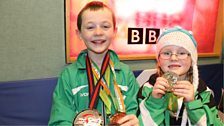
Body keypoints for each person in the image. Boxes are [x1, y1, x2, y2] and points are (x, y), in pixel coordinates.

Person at [48, 1, 139, 126]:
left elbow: (135, 112)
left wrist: (135, 121)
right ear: (79, 34)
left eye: (105, 26)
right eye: (90, 27)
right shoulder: (69, 75)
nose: (98, 32)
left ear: (114, 31)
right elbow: (59, 120)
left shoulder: (125, 73)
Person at [137, 27, 223, 125]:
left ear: (192, 60)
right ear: (159, 60)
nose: (173, 58)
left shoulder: (203, 93)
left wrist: (193, 104)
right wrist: (154, 102)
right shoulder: (147, 90)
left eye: (182, 53)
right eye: (166, 53)